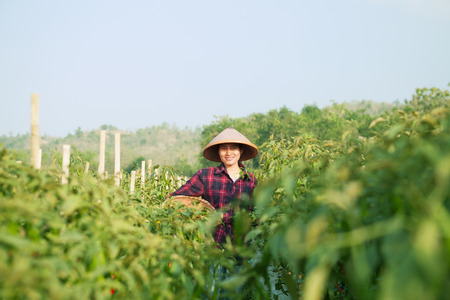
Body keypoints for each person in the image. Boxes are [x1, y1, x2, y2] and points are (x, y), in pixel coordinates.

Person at [169, 126, 258, 245]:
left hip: (241, 248)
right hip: (211, 246)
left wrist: (224, 216)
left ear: (241, 151)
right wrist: (198, 215)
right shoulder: (206, 175)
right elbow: (175, 199)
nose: (228, 153)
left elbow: (254, 214)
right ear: (218, 151)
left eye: (233, 148)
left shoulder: (250, 180)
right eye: (224, 148)